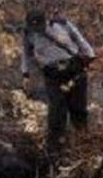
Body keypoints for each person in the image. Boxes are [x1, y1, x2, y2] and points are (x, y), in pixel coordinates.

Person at [20, 8, 97, 154]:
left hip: (74, 69)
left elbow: (79, 38)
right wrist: (25, 73)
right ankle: (55, 148)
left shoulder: (61, 24)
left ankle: (84, 143)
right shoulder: (28, 34)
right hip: (52, 75)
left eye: (40, 26)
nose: (38, 29)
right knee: (56, 111)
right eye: (34, 26)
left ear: (45, 21)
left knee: (78, 108)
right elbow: (25, 54)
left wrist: (90, 55)